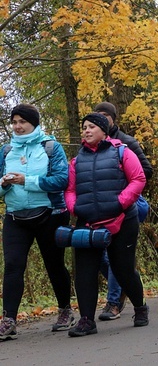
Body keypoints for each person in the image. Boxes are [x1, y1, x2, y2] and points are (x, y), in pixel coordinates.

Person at [64, 113, 148, 337]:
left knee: (122, 270)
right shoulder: (76, 160)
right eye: (84, 127)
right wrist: (74, 207)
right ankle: (86, 320)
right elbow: (70, 190)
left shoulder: (122, 152)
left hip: (122, 220)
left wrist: (120, 203)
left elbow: (138, 179)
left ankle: (140, 308)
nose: (86, 131)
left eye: (92, 126)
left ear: (103, 130)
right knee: (85, 272)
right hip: (88, 223)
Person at [0, 104, 73, 340]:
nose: (18, 126)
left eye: (23, 121)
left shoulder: (50, 147)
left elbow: (61, 180)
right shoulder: (6, 150)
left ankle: (65, 309)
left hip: (49, 215)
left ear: (34, 123)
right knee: (12, 266)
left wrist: (26, 181)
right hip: (15, 216)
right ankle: (8, 319)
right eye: (14, 122)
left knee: (54, 265)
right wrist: (4, 185)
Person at [93, 101, 154, 321]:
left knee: (118, 257)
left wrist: (122, 190)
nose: (100, 118)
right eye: (96, 115)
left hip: (127, 204)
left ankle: (114, 302)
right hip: (99, 208)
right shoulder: (90, 145)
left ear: (112, 118)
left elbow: (146, 170)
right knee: (102, 258)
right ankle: (126, 284)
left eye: (104, 115)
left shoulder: (127, 143)